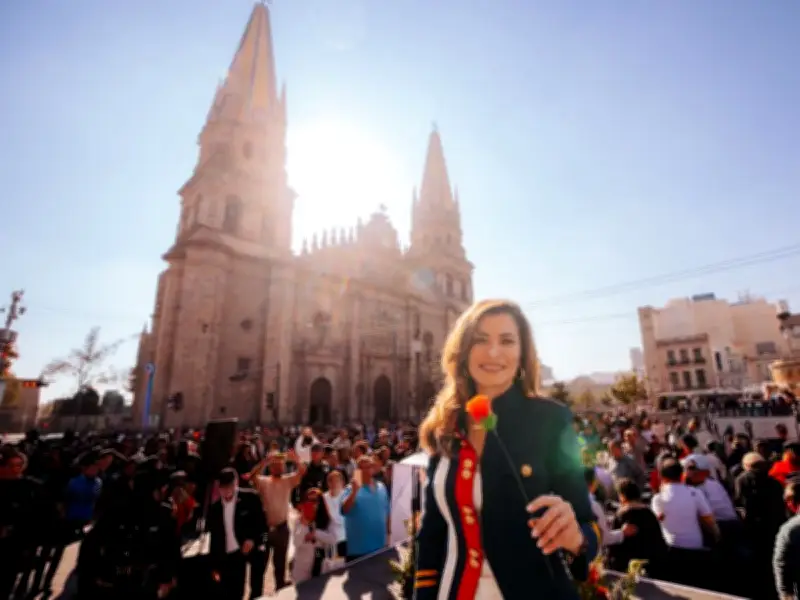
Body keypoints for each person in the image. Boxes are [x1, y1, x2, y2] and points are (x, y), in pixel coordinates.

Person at [414, 299, 600, 599]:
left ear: (522, 353)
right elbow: (433, 531)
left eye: (507, 341)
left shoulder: (551, 420)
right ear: (463, 351)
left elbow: (587, 525)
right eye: (480, 340)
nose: (493, 352)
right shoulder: (445, 427)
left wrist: (577, 538)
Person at [207, 468, 268, 600]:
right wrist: (214, 565)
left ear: (236, 483)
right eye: (223, 487)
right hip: (232, 554)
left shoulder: (251, 498)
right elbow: (215, 538)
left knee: (256, 588)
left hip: (254, 549)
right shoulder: (215, 509)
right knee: (234, 591)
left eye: (230, 486)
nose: (227, 490)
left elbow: (262, 526)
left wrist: (253, 540)